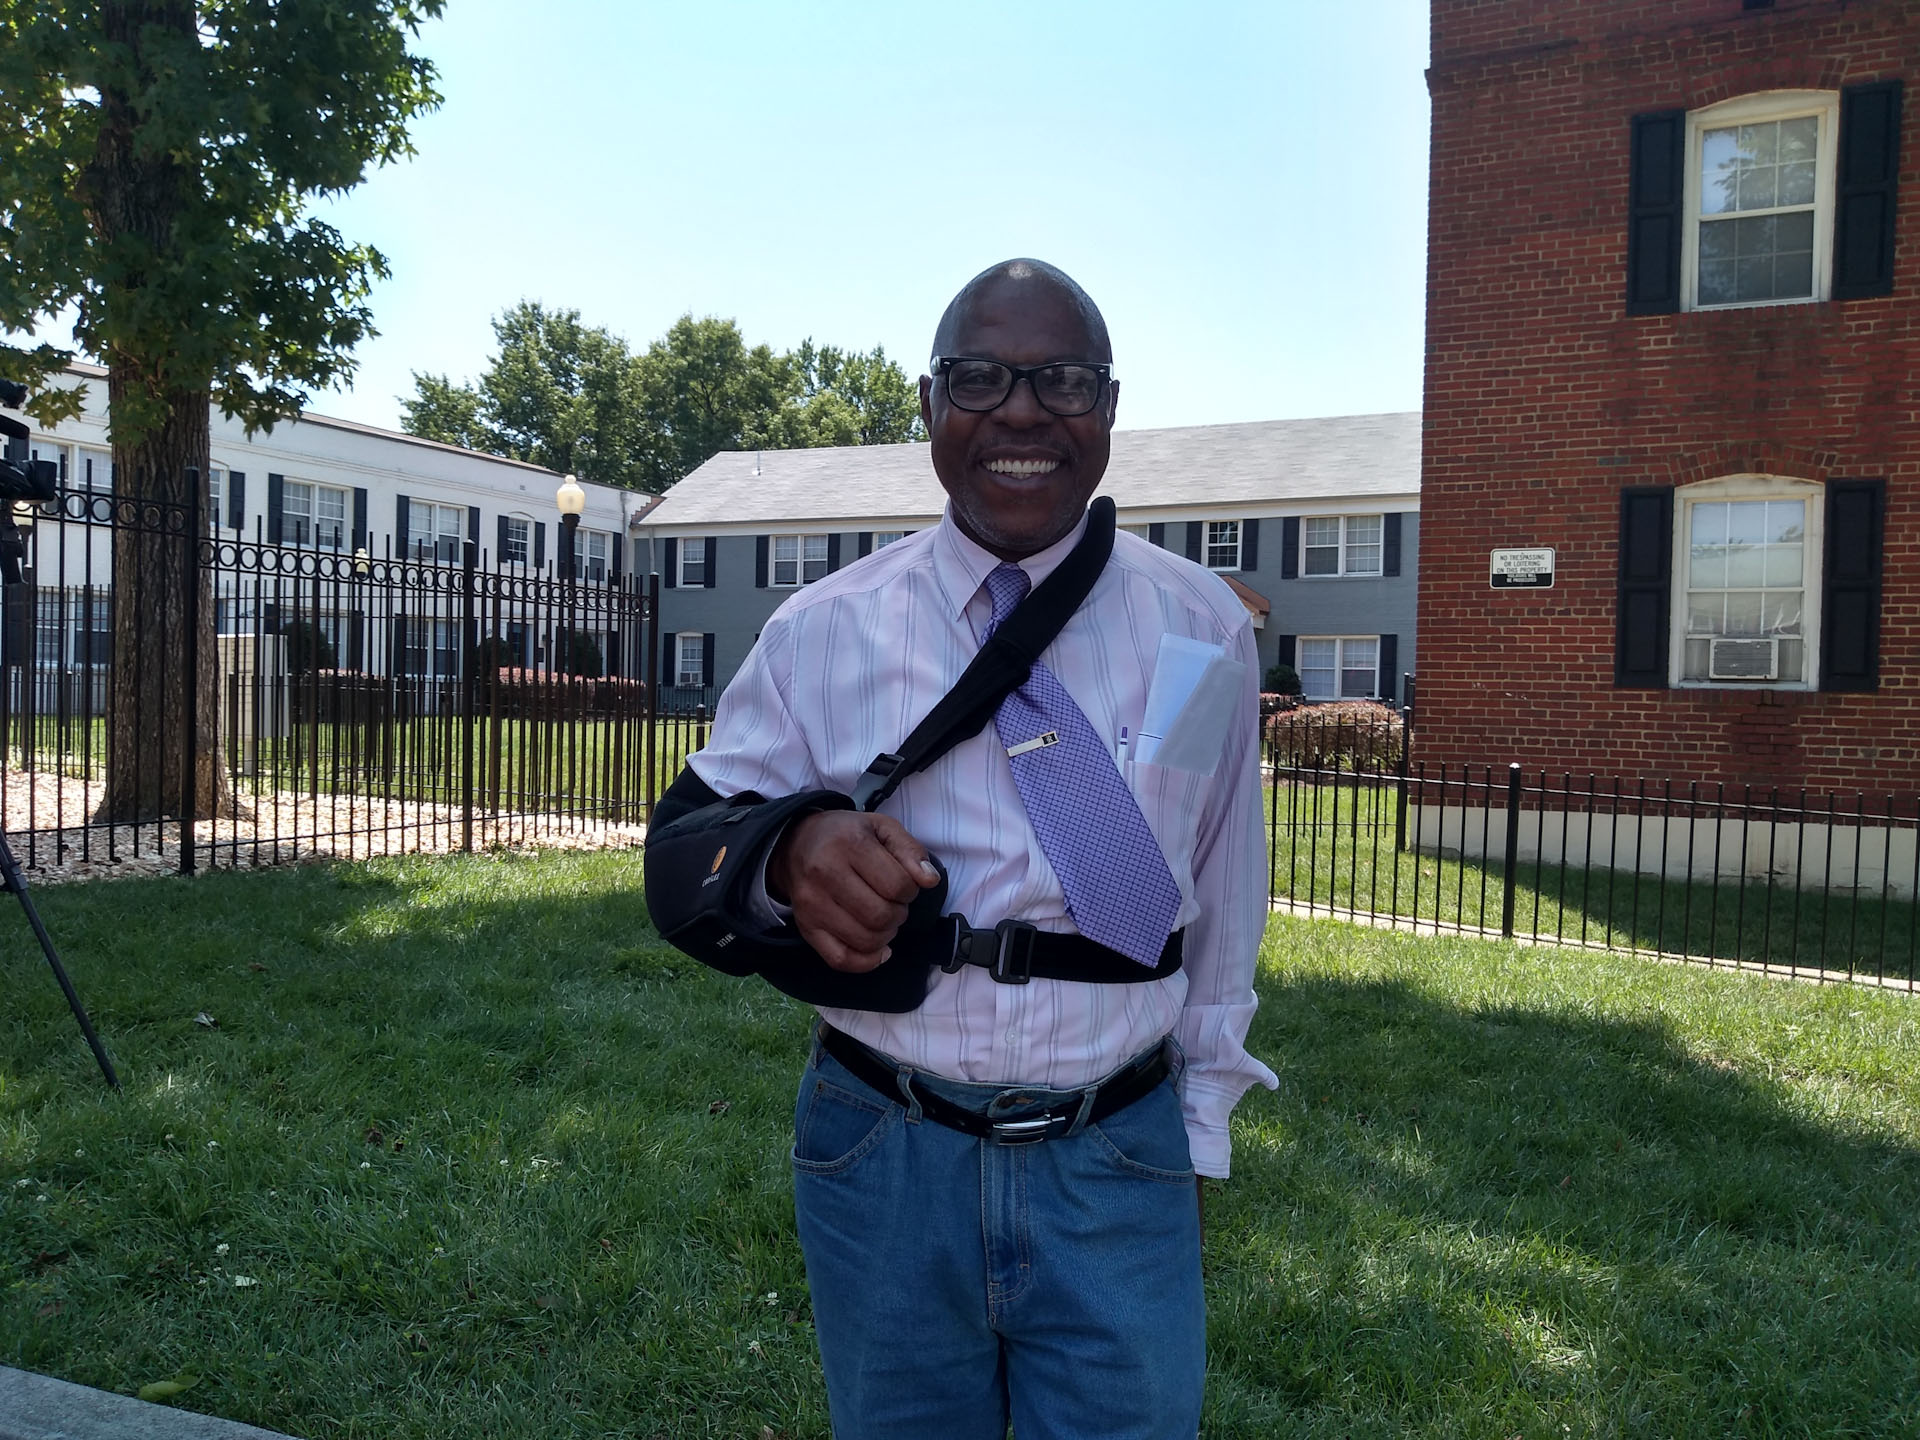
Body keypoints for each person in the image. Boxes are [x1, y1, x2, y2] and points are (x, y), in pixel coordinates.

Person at [670, 258, 1276, 1439]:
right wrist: (791, 852)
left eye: (1063, 380)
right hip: (883, 1149)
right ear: (930, 404)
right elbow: (688, 843)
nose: (1021, 410)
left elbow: (1217, 882)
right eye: (980, 377)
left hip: (1118, 1147)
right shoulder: (821, 632)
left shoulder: (1200, 628)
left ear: (1107, 408)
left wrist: (1196, 1130)